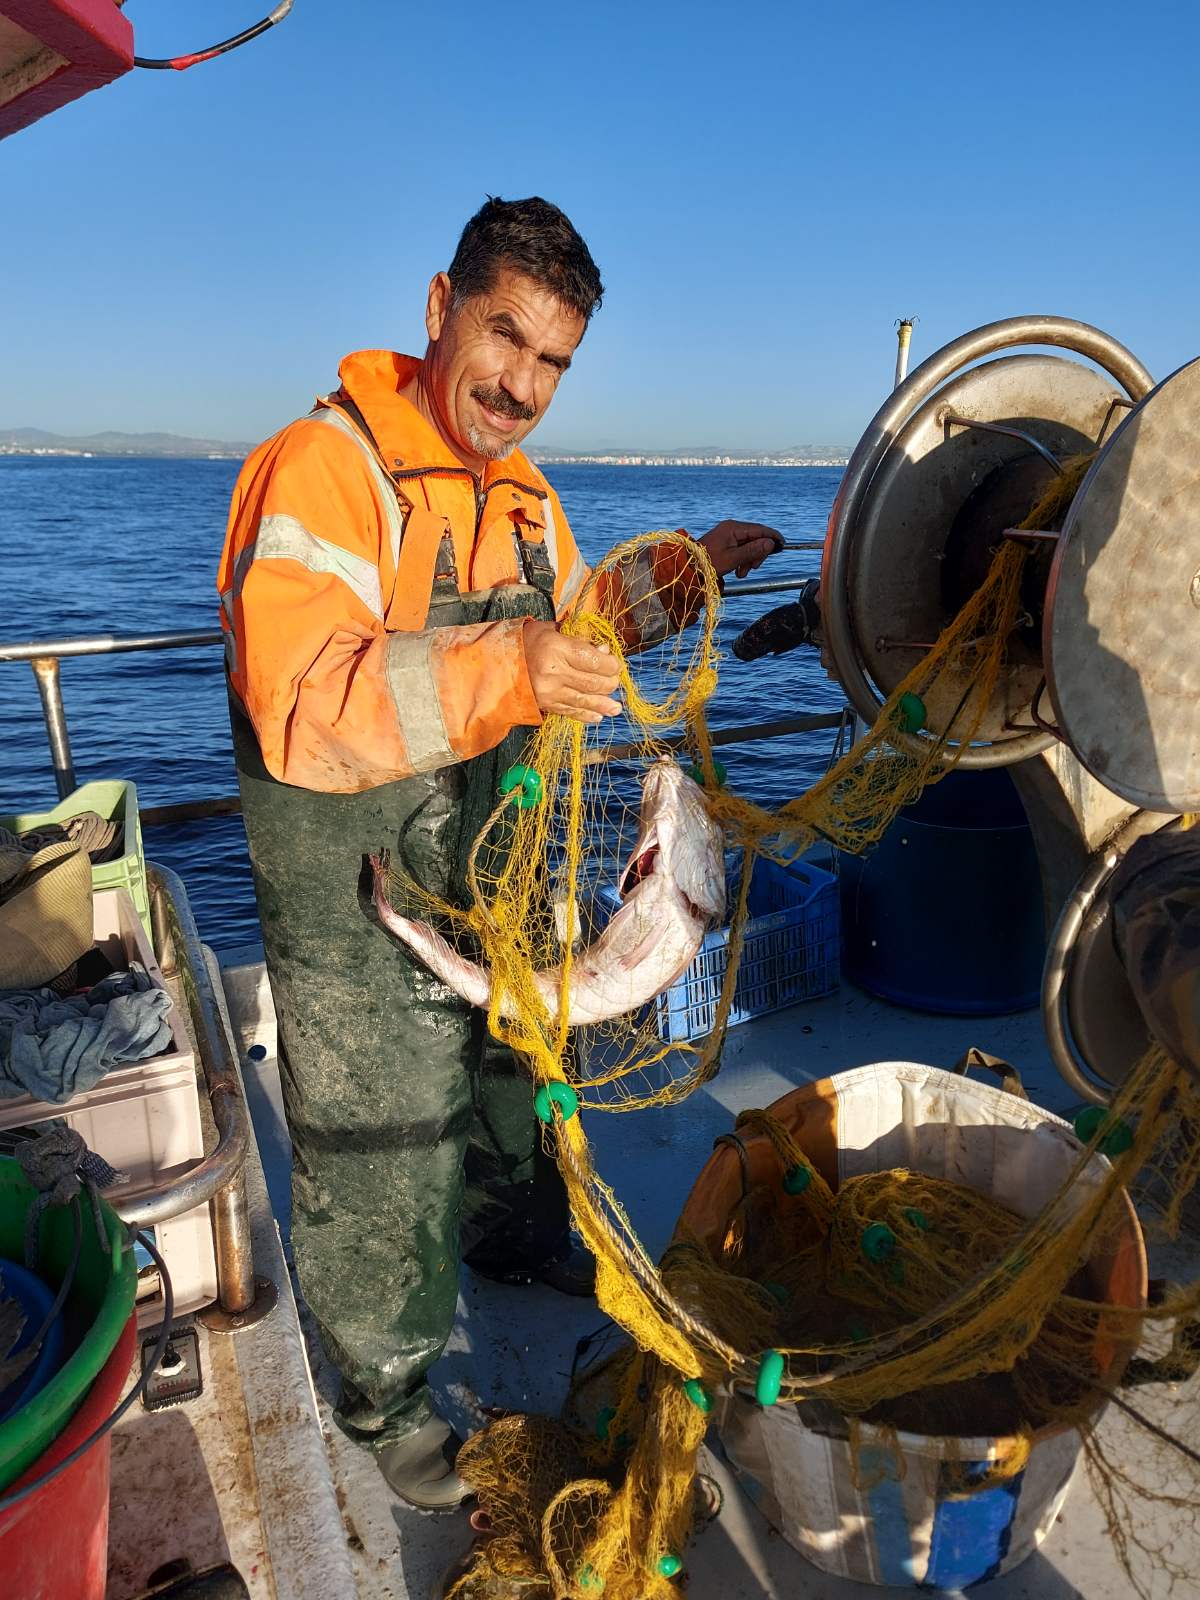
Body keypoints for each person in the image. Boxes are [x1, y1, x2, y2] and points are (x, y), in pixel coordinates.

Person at [216, 195, 781, 1510]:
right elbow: (304, 703)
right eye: (504, 338)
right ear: (438, 308)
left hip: (489, 855)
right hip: (354, 873)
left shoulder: (525, 498)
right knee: (382, 1123)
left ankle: (512, 1230)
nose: (522, 385)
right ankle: (387, 1390)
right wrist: (515, 664)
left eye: (552, 363)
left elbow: (574, 634)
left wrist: (686, 575)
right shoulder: (324, 468)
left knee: (508, 1051)